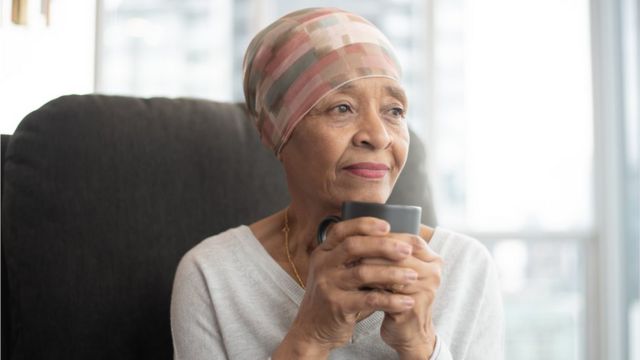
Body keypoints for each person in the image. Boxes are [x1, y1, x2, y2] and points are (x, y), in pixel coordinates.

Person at [170, 7, 503, 360]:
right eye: (341, 108)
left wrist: (420, 344)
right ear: (280, 132)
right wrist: (309, 337)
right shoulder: (213, 276)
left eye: (394, 111)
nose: (378, 136)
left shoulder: (466, 269)